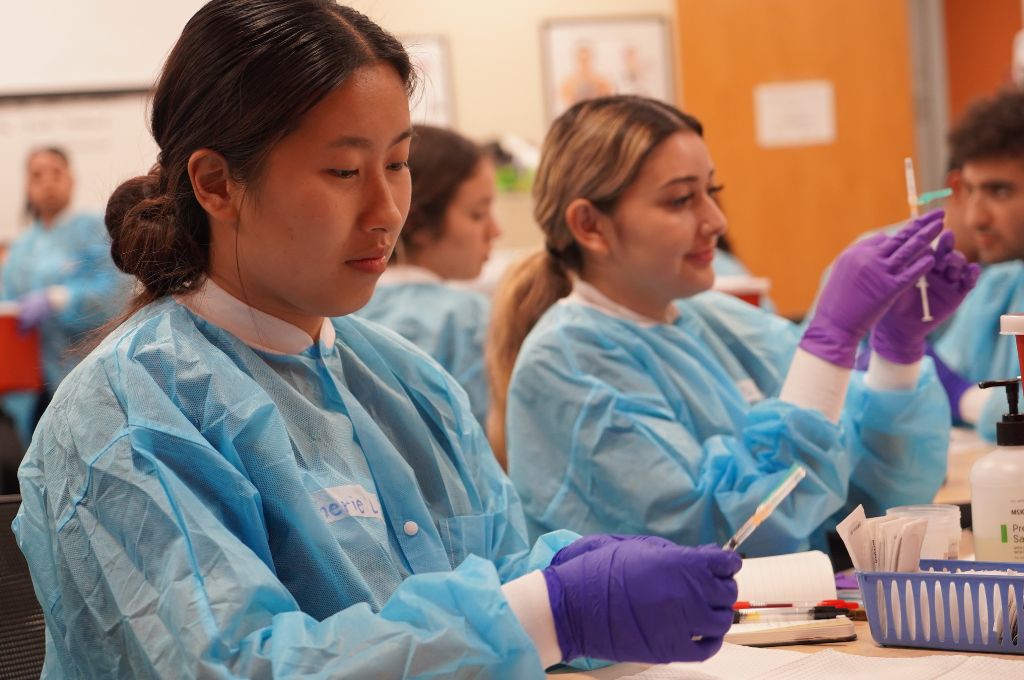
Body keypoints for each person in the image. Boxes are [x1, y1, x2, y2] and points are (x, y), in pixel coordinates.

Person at [13, 3, 743, 677]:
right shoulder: (127, 415)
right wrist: (546, 613)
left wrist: (578, 582)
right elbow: (237, 665)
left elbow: (496, 579)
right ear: (217, 184)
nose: (387, 209)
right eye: (343, 171)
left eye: (397, 164)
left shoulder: (406, 382)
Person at [489, 95, 978, 554]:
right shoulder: (565, 365)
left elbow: (869, 498)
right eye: (681, 200)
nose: (716, 220)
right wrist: (830, 340)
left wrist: (897, 352)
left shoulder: (721, 322)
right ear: (590, 226)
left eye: (711, 191)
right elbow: (729, 540)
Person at [357, 125, 498, 427]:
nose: (495, 231)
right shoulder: (469, 319)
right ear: (418, 224)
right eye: (477, 214)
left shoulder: (338, 312)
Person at [1, 147, 126, 439]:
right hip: (31, 384)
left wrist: (59, 299)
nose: (47, 182)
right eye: (37, 175)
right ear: (27, 187)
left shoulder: (95, 229)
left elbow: (117, 292)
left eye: (56, 172)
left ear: (71, 178)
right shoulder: (20, 250)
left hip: (88, 372)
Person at [930, 89, 1024, 438]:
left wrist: (966, 398)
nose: (974, 218)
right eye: (971, 191)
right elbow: (938, 380)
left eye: (999, 192)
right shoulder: (998, 283)